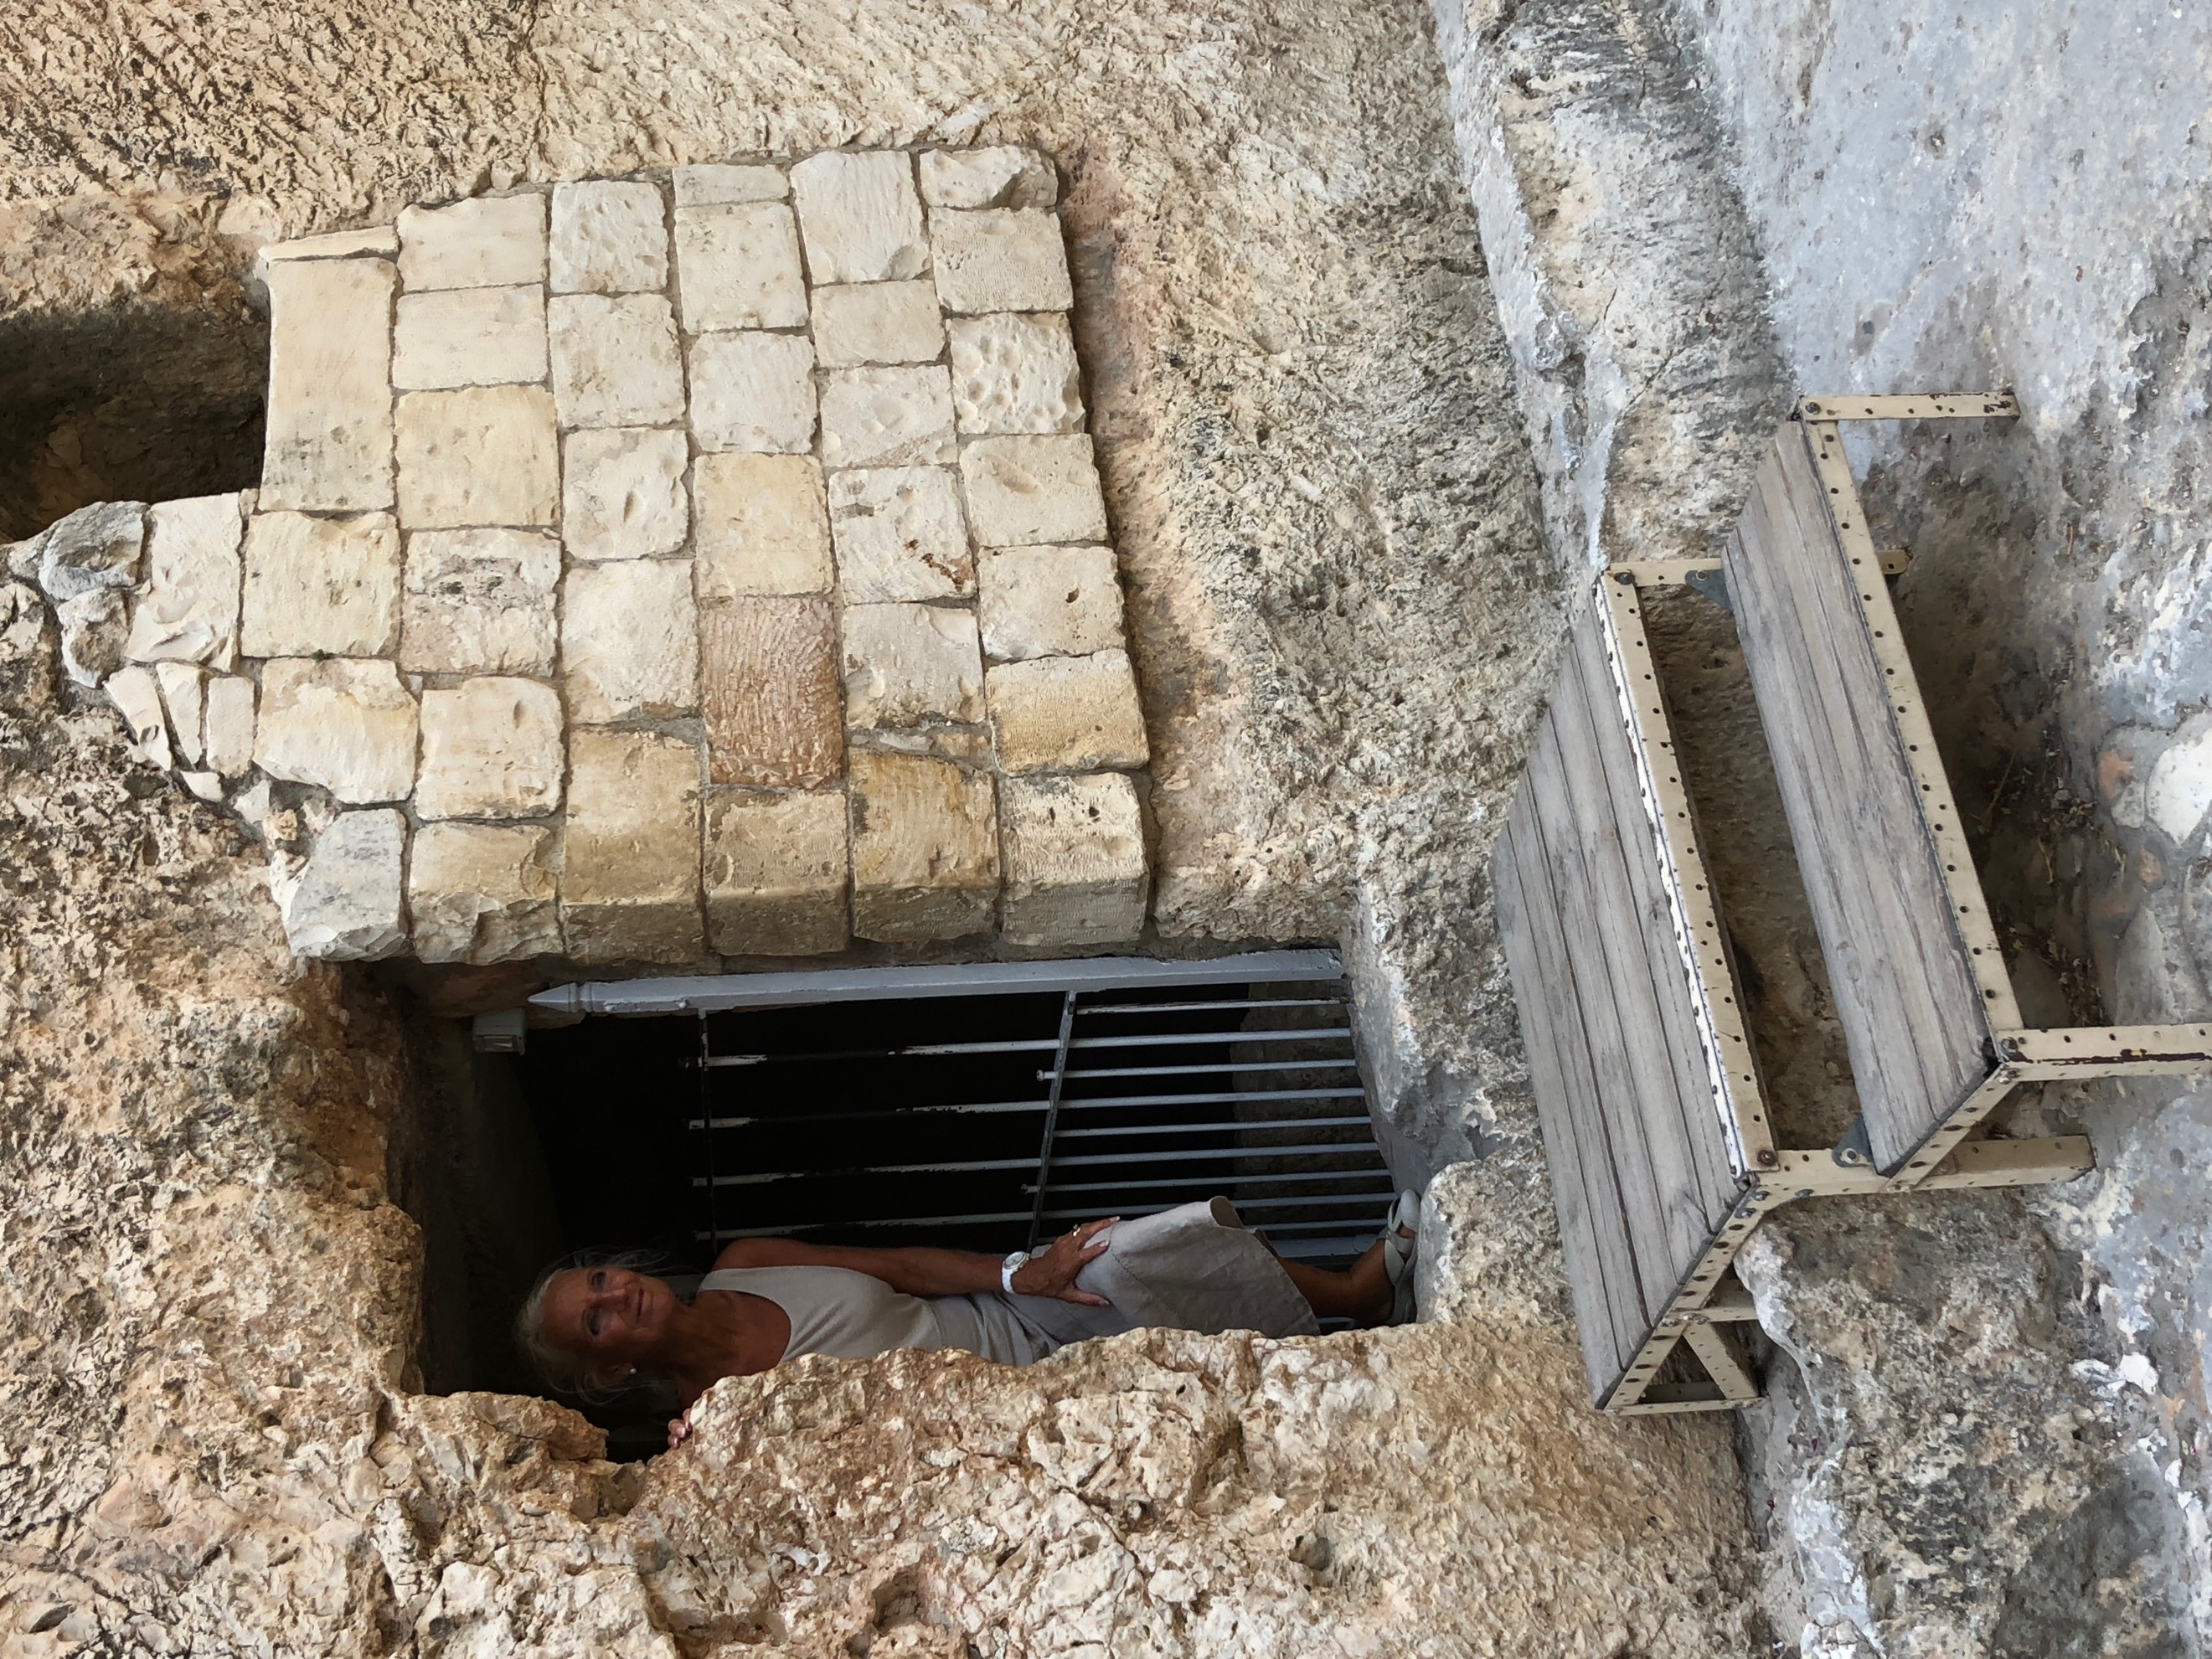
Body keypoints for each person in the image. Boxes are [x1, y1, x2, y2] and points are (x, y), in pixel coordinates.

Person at [515, 1193, 1422, 1450]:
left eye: (600, 1278)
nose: (616, 1294)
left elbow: (905, 1268)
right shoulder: (709, 1425)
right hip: (1009, 1419)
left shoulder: (747, 1263)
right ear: (609, 1372)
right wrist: (699, 1452)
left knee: (1112, 1253)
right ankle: (1347, 1361)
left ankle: (1355, 1297)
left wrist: (1022, 1272)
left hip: (1013, 1317)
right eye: (594, 1323)